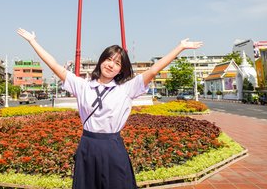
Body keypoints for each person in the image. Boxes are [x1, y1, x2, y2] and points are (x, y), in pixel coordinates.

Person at [17, 28, 203, 189]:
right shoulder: (82, 86)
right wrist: (33, 41)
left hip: (113, 147)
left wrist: (180, 47)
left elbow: (153, 70)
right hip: (87, 146)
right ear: (101, 61)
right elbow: (54, 66)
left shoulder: (126, 89)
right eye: (108, 59)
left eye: (117, 63)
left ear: (121, 69)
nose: (110, 65)